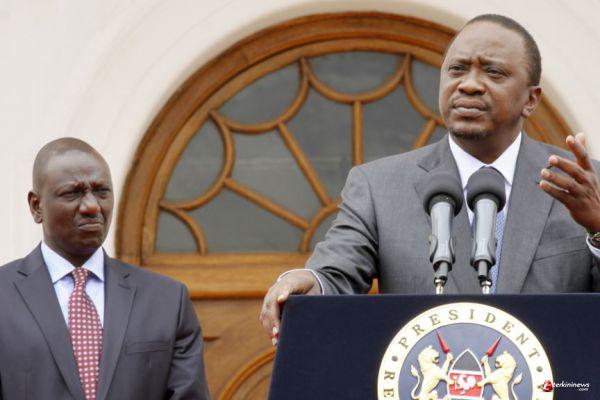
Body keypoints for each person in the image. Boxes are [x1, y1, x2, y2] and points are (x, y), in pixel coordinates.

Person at [260, 14, 600, 345]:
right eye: (457, 69)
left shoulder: (584, 183)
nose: (469, 84)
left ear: (531, 99)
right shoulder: (379, 187)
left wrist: (598, 229)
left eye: (493, 72)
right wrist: (303, 281)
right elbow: (334, 275)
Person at [0, 138, 211, 399]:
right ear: (36, 206)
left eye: (101, 191)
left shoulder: (167, 300)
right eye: (72, 193)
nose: (92, 206)